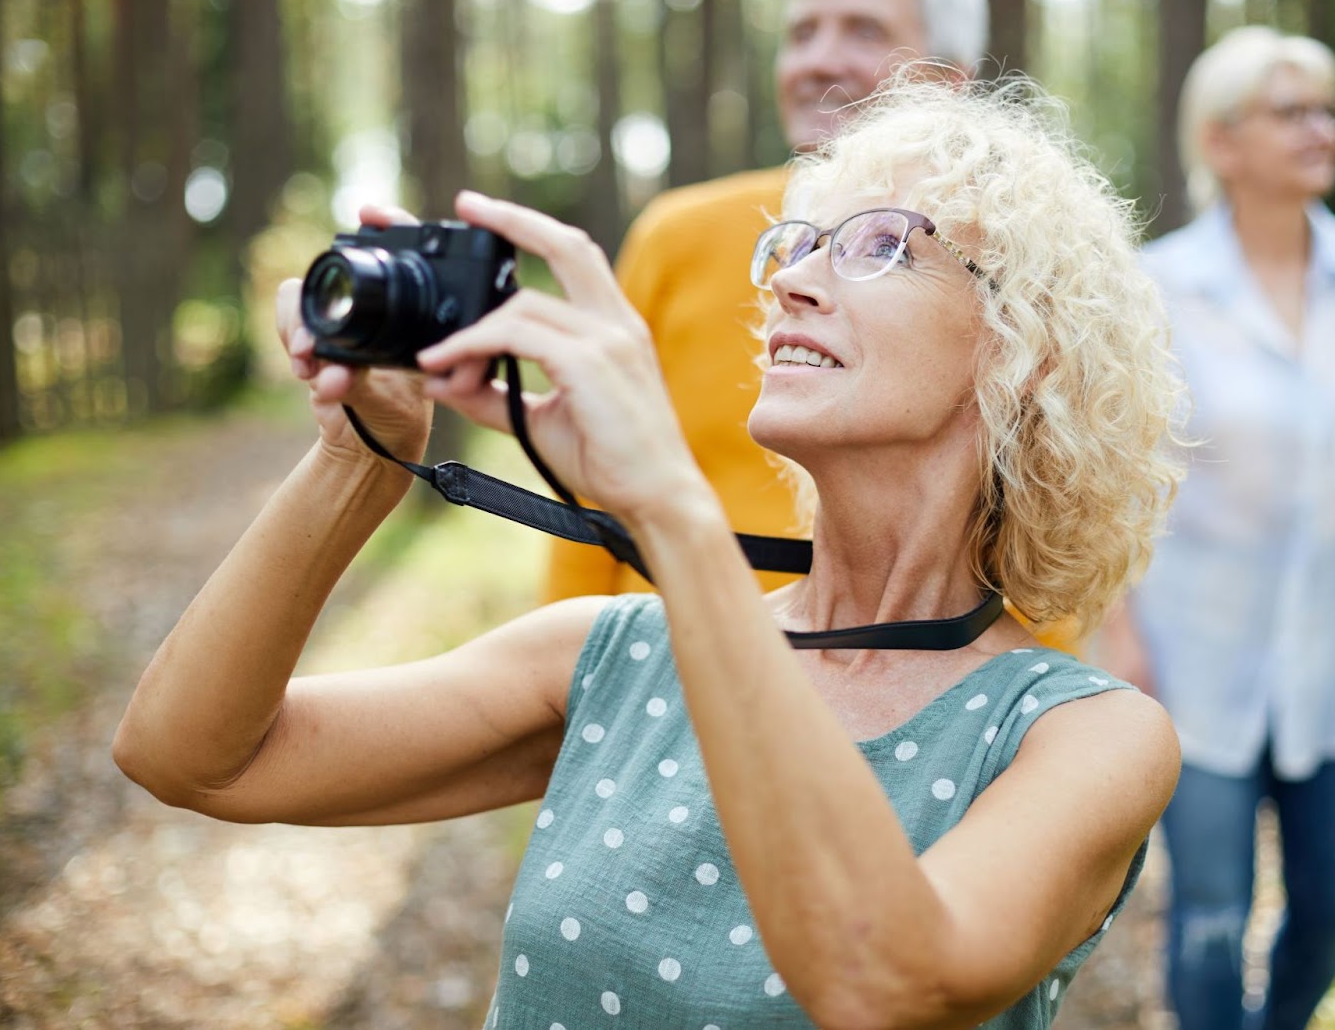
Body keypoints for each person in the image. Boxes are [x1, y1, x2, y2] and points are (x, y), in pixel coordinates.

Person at [114, 72, 1184, 1028]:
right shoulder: (611, 656)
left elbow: (885, 984)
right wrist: (361, 461)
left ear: (1026, 350)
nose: (794, 283)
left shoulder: (1083, 738)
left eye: (879, 244)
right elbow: (189, 755)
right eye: (798, 244)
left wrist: (666, 504)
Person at [1097, 26, 1335, 1030]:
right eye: (1291, 110)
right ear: (1219, 142)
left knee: (1334, 904)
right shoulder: (1157, 285)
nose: (1321, 128)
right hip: (1195, 657)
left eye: (1327, 109)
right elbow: (1118, 474)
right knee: (1207, 917)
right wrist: (1119, 633)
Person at [540, 0, 987, 590]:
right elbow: (593, 479)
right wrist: (574, 672)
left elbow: (1038, 508)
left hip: (912, 675)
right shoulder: (674, 235)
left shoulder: (993, 257)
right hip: (665, 661)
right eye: (802, 33)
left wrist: (1032, 681)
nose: (818, 61)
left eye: (864, 30)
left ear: (946, 82)